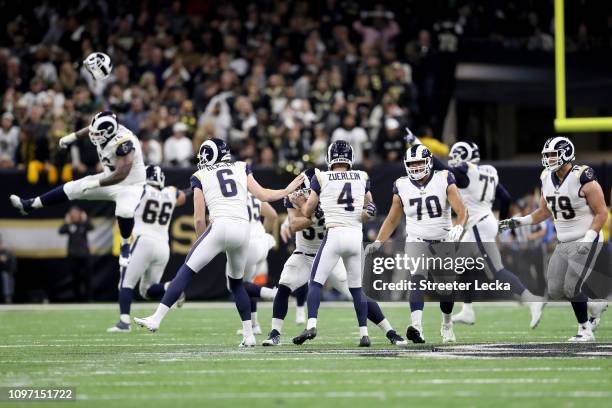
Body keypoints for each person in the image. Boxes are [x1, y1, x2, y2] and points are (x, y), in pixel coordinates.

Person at [134, 138, 303, 347]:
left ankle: (156, 318)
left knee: (186, 271)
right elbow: (263, 195)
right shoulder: (241, 167)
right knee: (236, 283)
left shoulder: (200, 175)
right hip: (243, 231)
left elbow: (198, 217)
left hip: (220, 225)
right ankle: (249, 335)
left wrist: (202, 242)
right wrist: (287, 190)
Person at [262, 167, 406, 346]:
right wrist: (314, 217)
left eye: (308, 191)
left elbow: (358, 211)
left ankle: (390, 331)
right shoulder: (295, 197)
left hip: (331, 254)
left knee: (357, 293)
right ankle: (275, 333)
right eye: (303, 191)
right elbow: (294, 224)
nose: (304, 194)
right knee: (284, 285)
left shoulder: (329, 195)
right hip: (305, 254)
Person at [500, 137, 608, 341]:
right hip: (564, 241)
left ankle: (584, 330)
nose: (549, 159)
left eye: (553, 155)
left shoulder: (582, 177)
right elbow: (543, 212)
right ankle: (594, 305)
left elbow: (602, 213)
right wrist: (519, 222)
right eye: (547, 155)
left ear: (566, 154)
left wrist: (589, 237)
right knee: (556, 289)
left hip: (586, 238)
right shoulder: (546, 177)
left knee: (571, 286)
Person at [428, 140, 545, 328]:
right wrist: (502, 224)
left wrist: (424, 151)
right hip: (484, 222)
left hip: (477, 226)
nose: (452, 161)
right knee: (457, 268)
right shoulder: (488, 171)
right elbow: (506, 198)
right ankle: (467, 310)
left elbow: (440, 167)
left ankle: (532, 300)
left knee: (496, 271)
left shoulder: (466, 173)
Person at [11, 111, 146, 268]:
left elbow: (122, 174)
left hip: (130, 185)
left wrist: (97, 183)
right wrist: (72, 137)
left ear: (109, 132)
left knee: (124, 211)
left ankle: (125, 246)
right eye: (94, 132)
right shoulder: (108, 128)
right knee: (72, 188)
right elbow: (90, 129)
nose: (93, 135)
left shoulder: (124, 142)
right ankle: (30, 205)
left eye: (98, 133)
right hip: (109, 177)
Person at [367, 144, 468, 343]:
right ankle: (417, 327)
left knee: (447, 292)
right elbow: (391, 220)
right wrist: (379, 241)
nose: (415, 167)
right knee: (417, 279)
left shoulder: (444, 178)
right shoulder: (401, 185)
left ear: (429, 162)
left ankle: (447, 323)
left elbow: (462, 210)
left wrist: (459, 226)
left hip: (444, 240)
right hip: (416, 240)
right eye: (412, 164)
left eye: (419, 162)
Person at [289, 141, 373, 347]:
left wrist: (299, 202)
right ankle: (364, 333)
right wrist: (363, 214)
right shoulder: (362, 176)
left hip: (334, 235)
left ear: (330, 158)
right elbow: (370, 208)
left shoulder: (321, 176)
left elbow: (308, 212)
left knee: (315, 283)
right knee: (356, 289)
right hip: (355, 237)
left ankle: (311, 324)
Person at [107, 165, 187, 332]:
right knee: (147, 291)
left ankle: (124, 322)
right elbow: (181, 198)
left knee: (125, 282)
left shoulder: (140, 189)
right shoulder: (171, 191)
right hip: (163, 246)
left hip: (143, 240)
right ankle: (172, 287)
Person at [229, 192, 278, 336]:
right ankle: (255, 324)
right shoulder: (254, 194)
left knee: (236, 285)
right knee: (248, 285)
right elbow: (273, 215)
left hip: (247, 244)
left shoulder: (232, 196)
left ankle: (271, 293)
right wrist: (262, 232)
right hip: (262, 242)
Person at [59, 206, 94, 301]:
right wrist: (66, 222)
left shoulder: (83, 224)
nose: (74, 215)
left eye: (76, 213)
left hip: (84, 255)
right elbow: (61, 231)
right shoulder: (69, 225)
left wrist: (85, 219)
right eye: (72, 213)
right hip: (73, 256)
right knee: (75, 278)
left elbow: (91, 227)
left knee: (87, 278)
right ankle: (77, 299)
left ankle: (88, 298)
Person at [0, 234, 17, 303]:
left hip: (7, 272)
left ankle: (8, 297)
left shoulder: (7, 252)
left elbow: (4, 259)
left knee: (5, 277)